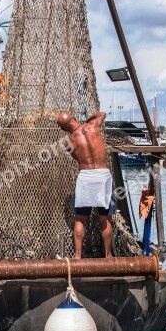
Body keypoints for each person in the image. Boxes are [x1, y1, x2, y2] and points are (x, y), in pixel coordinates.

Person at [57, 111, 114, 259]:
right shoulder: (93, 125)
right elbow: (102, 114)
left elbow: (76, 157)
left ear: (63, 129)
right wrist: (86, 121)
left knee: (80, 219)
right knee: (105, 218)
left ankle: (77, 255)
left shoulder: (67, 142)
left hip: (86, 176)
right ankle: (108, 256)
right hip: (102, 175)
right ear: (74, 119)